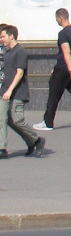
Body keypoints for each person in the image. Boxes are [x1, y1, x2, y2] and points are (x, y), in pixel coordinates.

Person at [0, 23, 44, 158]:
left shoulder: (20, 52)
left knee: (17, 120)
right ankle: (2, 148)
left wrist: (10, 90)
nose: (1, 39)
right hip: (5, 91)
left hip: (17, 92)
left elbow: (19, 73)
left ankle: (35, 140)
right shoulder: (7, 52)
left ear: (11, 36)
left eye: (3, 36)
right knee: (3, 119)